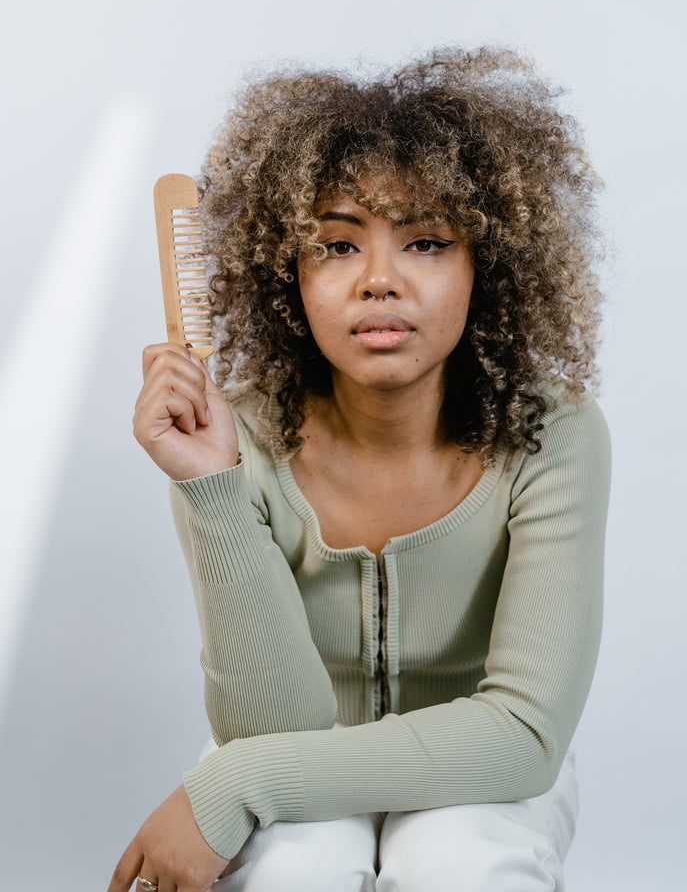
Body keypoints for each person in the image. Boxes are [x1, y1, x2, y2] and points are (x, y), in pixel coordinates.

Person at [109, 47, 611, 892]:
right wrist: (211, 484)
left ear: (483, 265)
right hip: (294, 743)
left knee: (464, 862)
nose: (380, 281)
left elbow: (524, 735)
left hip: (482, 765)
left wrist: (232, 784)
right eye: (337, 245)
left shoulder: (552, 433)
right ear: (288, 272)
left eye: (425, 241)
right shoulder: (238, 435)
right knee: (288, 870)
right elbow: (274, 725)